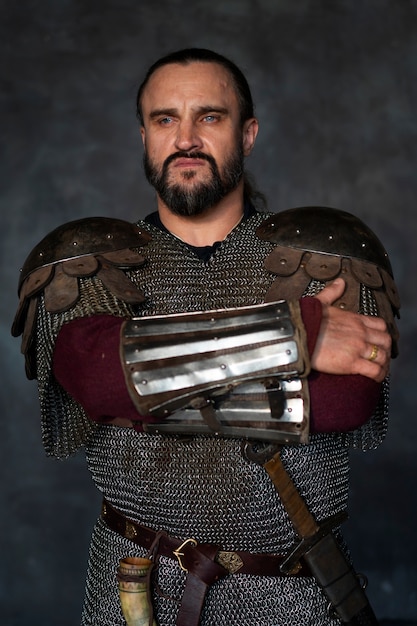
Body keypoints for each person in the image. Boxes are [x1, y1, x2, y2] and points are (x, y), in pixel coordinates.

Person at [12, 48, 399, 626]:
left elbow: (346, 400)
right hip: (140, 586)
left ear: (247, 134)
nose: (185, 138)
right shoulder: (84, 265)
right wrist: (299, 332)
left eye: (209, 117)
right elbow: (95, 377)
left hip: (288, 592)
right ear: (143, 134)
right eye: (165, 119)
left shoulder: (323, 254)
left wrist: (143, 386)